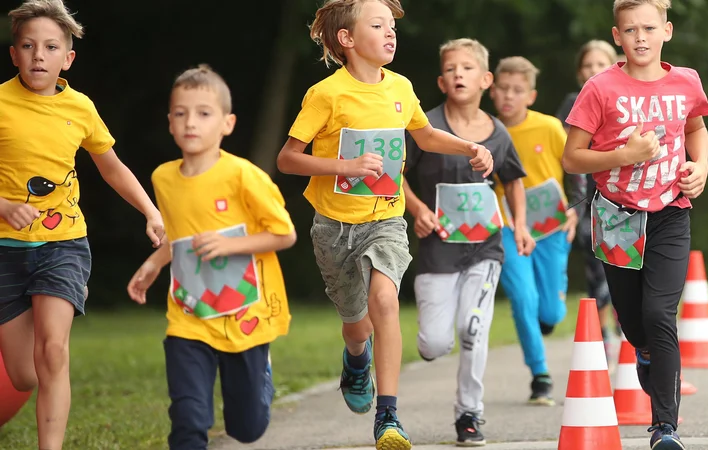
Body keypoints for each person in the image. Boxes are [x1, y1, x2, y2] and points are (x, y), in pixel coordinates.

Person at [275, 1, 493, 449]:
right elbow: (288, 158)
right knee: (357, 325)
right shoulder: (326, 94)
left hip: (386, 218)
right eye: (378, 25)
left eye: (392, 26)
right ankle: (357, 359)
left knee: (385, 301)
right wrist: (347, 165)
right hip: (334, 225)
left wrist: (469, 147)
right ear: (347, 40)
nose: (391, 33)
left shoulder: (401, 87)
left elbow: (426, 136)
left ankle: (388, 416)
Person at [0, 1, 165, 449]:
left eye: (50, 47)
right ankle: (62, 297)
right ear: (14, 54)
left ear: (67, 58)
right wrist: (3, 205)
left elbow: (112, 168)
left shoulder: (80, 107)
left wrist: (151, 212)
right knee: (24, 373)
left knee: (53, 353)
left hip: (64, 242)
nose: (38, 56)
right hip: (6, 250)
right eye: (28, 46)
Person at [562, 0, 708, 448]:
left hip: (670, 213)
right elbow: (572, 156)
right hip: (617, 216)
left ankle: (665, 427)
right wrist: (624, 157)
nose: (640, 37)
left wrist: (701, 166)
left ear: (667, 30)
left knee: (659, 314)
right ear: (616, 36)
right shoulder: (600, 87)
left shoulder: (686, 81)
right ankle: (644, 352)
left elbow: (696, 128)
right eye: (631, 30)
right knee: (632, 323)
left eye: (649, 28)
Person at [127, 65, 296, 450]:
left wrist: (229, 245)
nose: (191, 122)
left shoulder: (243, 176)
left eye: (204, 113)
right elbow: (178, 234)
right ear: (170, 121)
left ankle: (262, 375)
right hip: (188, 316)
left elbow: (285, 234)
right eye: (181, 113)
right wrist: (154, 264)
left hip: (244, 315)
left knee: (247, 428)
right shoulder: (162, 178)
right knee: (188, 417)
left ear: (227, 123)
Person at [403, 38, 533, 447]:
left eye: (467, 68)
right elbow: (394, 172)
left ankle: (469, 414)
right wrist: (416, 208)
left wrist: (521, 225)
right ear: (441, 82)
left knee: (473, 329)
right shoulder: (424, 127)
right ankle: (432, 348)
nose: (459, 74)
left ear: (485, 79)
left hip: (485, 248)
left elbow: (513, 181)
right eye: (451, 69)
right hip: (438, 249)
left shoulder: (498, 133)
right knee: (436, 342)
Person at [489, 56, 579, 406]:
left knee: (551, 313)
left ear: (531, 95)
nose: (509, 96)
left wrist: (574, 211)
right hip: (507, 227)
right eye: (503, 89)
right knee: (523, 297)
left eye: (517, 90)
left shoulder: (550, 128)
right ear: (492, 91)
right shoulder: (487, 131)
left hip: (551, 226)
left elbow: (576, 169)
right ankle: (540, 375)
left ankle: (547, 315)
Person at [555, 39, 620, 359]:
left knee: (628, 266)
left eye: (601, 64)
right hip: (588, 200)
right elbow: (561, 154)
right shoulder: (571, 104)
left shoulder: (626, 99)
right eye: (588, 65)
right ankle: (605, 332)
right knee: (598, 269)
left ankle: (626, 316)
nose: (594, 70)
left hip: (625, 197)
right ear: (580, 72)